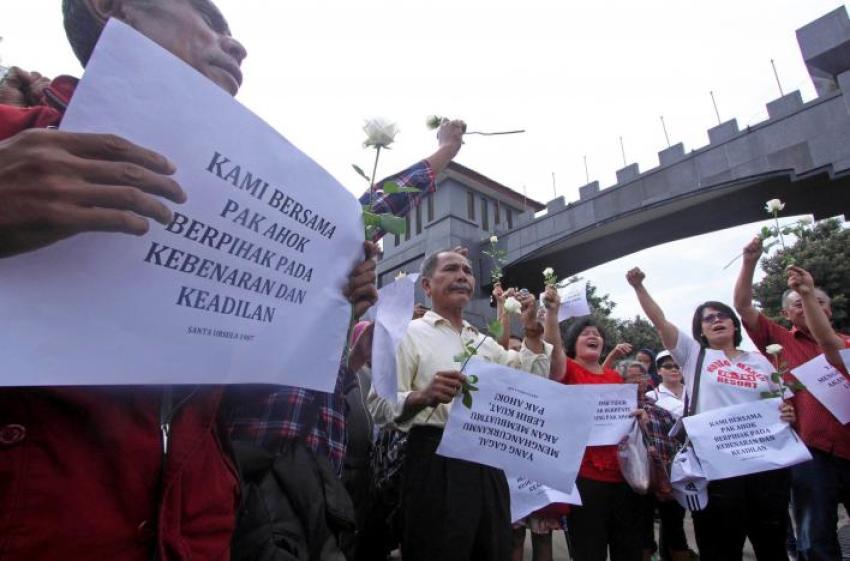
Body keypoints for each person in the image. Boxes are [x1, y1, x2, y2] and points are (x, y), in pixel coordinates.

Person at [0, 2, 375, 560]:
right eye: (208, 18)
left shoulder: (241, 207)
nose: (236, 44)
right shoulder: (14, 140)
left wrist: (322, 301)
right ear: (112, 7)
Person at [371, 248, 550, 561]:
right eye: (451, 269)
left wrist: (532, 329)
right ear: (426, 286)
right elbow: (379, 404)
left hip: (488, 463)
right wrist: (422, 396)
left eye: (467, 271)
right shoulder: (406, 335)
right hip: (433, 460)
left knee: (493, 548)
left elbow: (529, 380)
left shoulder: (484, 343)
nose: (462, 277)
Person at [628, 266, 796, 561]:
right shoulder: (694, 356)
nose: (716, 320)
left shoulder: (761, 362)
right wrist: (639, 287)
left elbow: (782, 403)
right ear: (700, 330)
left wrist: (787, 413)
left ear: (734, 325)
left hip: (766, 468)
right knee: (721, 549)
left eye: (722, 316)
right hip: (717, 470)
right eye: (708, 318)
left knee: (772, 546)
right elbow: (660, 322)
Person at [735, 237, 850, 561]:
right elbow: (743, 306)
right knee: (815, 537)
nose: (809, 305)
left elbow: (827, 340)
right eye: (798, 302)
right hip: (811, 451)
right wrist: (749, 262)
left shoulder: (845, 345)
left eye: (816, 301)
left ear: (828, 308)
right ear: (785, 313)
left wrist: (806, 292)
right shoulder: (780, 341)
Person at [544, 311, 644, 561]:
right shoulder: (568, 371)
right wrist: (552, 313)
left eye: (597, 334)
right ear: (572, 343)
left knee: (628, 549)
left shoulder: (615, 378)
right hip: (584, 479)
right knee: (589, 551)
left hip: (623, 479)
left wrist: (638, 418)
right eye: (585, 333)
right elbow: (552, 350)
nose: (592, 336)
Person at [646, 350, 685, 419]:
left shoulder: (694, 391)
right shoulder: (651, 396)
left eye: (677, 366)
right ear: (658, 371)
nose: (674, 369)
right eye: (668, 366)